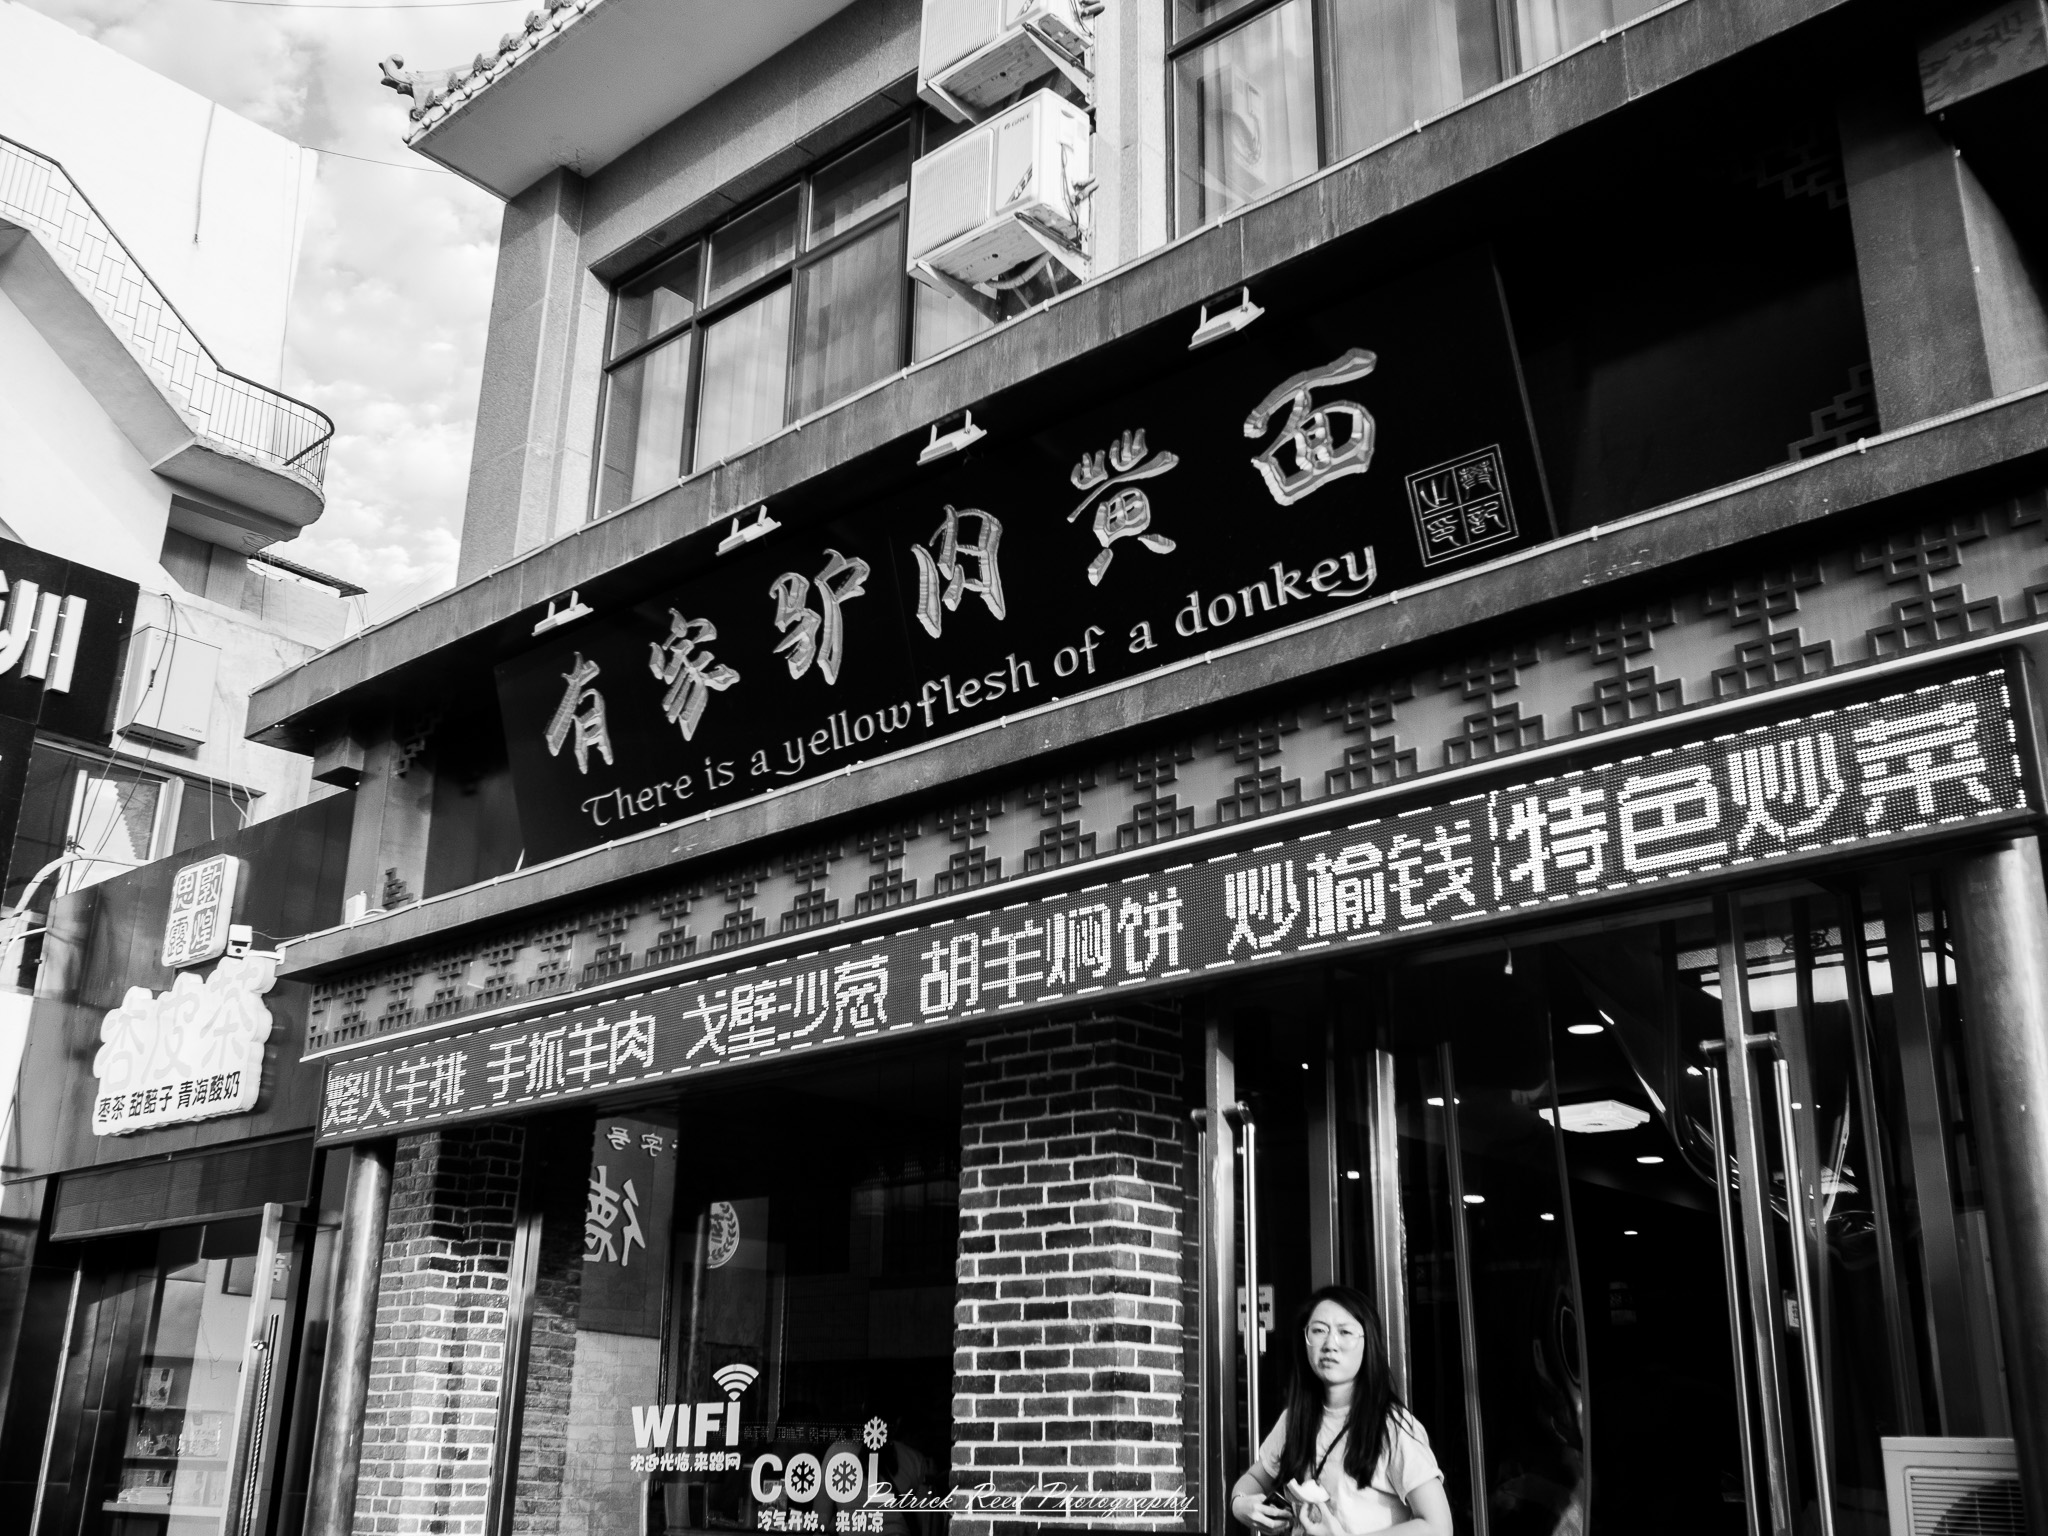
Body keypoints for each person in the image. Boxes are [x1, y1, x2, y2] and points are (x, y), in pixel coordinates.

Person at [1230, 1286, 1454, 1536]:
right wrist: (1240, 1504)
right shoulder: (1295, 1419)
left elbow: (1438, 1526)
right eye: (1318, 1331)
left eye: (1345, 1332)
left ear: (1368, 1343)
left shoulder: (1391, 1426)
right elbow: (1255, 1479)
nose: (1329, 1344)